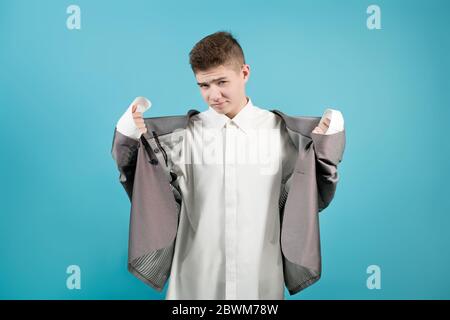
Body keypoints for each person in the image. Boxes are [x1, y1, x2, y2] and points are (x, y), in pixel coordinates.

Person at [112, 31, 345, 299]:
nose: (214, 95)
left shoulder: (282, 135)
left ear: (244, 73)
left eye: (222, 81)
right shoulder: (179, 138)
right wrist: (129, 137)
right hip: (194, 283)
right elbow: (143, 186)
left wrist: (326, 144)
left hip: (260, 281)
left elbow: (313, 194)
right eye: (204, 85)